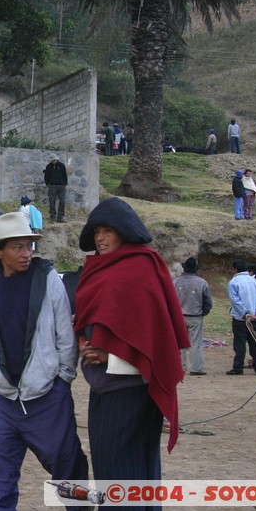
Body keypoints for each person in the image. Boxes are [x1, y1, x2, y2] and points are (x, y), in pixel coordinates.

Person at [0, 212, 89, 511]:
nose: (26, 254)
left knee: (67, 466)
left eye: (30, 246)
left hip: (46, 396)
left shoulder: (47, 280)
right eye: (18, 247)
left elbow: (65, 332)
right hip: (1, 398)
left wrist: (62, 380)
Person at [74, 197, 189, 492]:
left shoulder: (141, 268)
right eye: (96, 232)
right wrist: (86, 345)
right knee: (115, 471)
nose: (99, 238)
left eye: (107, 231)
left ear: (123, 231)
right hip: (103, 389)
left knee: (123, 472)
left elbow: (155, 341)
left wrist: (109, 358)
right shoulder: (99, 268)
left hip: (132, 391)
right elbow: (89, 319)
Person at [226, 259, 256, 376]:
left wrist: (244, 313)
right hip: (255, 317)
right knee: (255, 342)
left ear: (235, 269)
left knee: (239, 343)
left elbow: (235, 300)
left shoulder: (233, 282)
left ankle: (238, 367)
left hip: (240, 318)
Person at [173, 257, 212, 376]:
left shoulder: (176, 281)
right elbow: (208, 301)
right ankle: (197, 368)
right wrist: (203, 312)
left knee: (180, 343)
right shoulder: (202, 282)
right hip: (196, 316)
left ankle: (180, 367)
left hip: (179, 316)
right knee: (196, 343)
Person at [43, 154, 67, 223]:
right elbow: (46, 176)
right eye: (52, 160)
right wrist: (48, 184)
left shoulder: (61, 165)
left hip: (61, 186)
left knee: (62, 201)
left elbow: (65, 175)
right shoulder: (48, 167)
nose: (53, 161)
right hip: (52, 186)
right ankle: (53, 217)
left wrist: (64, 184)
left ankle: (60, 217)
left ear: (56, 159)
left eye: (54, 160)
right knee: (52, 202)